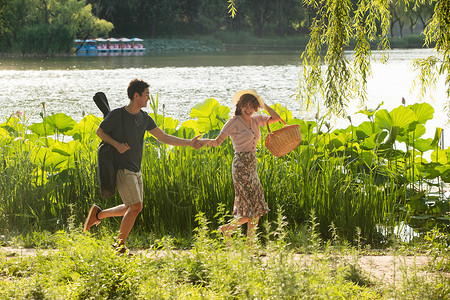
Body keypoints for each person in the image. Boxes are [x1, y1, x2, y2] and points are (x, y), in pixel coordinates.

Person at [84, 78, 203, 254]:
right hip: (122, 168)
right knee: (135, 207)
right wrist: (117, 145)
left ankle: (98, 214)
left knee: (130, 207)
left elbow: (164, 137)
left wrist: (189, 143)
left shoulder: (144, 118)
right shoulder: (117, 114)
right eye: (146, 95)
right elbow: (100, 132)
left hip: (135, 168)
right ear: (136, 95)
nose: (148, 98)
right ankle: (119, 246)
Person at [201, 89, 282, 245]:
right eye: (246, 105)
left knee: (257, 206)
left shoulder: (256, 120)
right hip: (241, 166)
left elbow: (276, 118)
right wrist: (204, 141)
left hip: (252, 164)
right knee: (251, 208)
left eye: (253, 106)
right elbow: (217, 142)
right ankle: (228, 230)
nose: (249, 109)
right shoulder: (233, 122)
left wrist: (264, 104)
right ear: (240, 105)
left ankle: (249, 243)